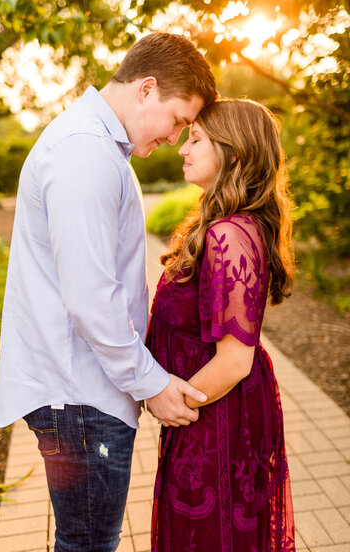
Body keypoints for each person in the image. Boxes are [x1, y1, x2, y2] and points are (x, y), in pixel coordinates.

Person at [0, 33, 217, 551]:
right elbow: (92, 300)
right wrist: (152, 384)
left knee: (86, 541)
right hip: (81, 397)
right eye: (179, 119)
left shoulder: (94, 145)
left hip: (84, 392)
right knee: (89, 545)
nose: (177, 136)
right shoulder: (85, 153)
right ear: (146, 88)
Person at [146, 98, 296, 551]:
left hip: (215, 414)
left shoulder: (230, 234)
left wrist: (170, 403)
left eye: (196, 140)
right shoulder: (220, 223)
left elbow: (234, 361)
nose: (182, 149)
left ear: (232, 152)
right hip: (207, 407)